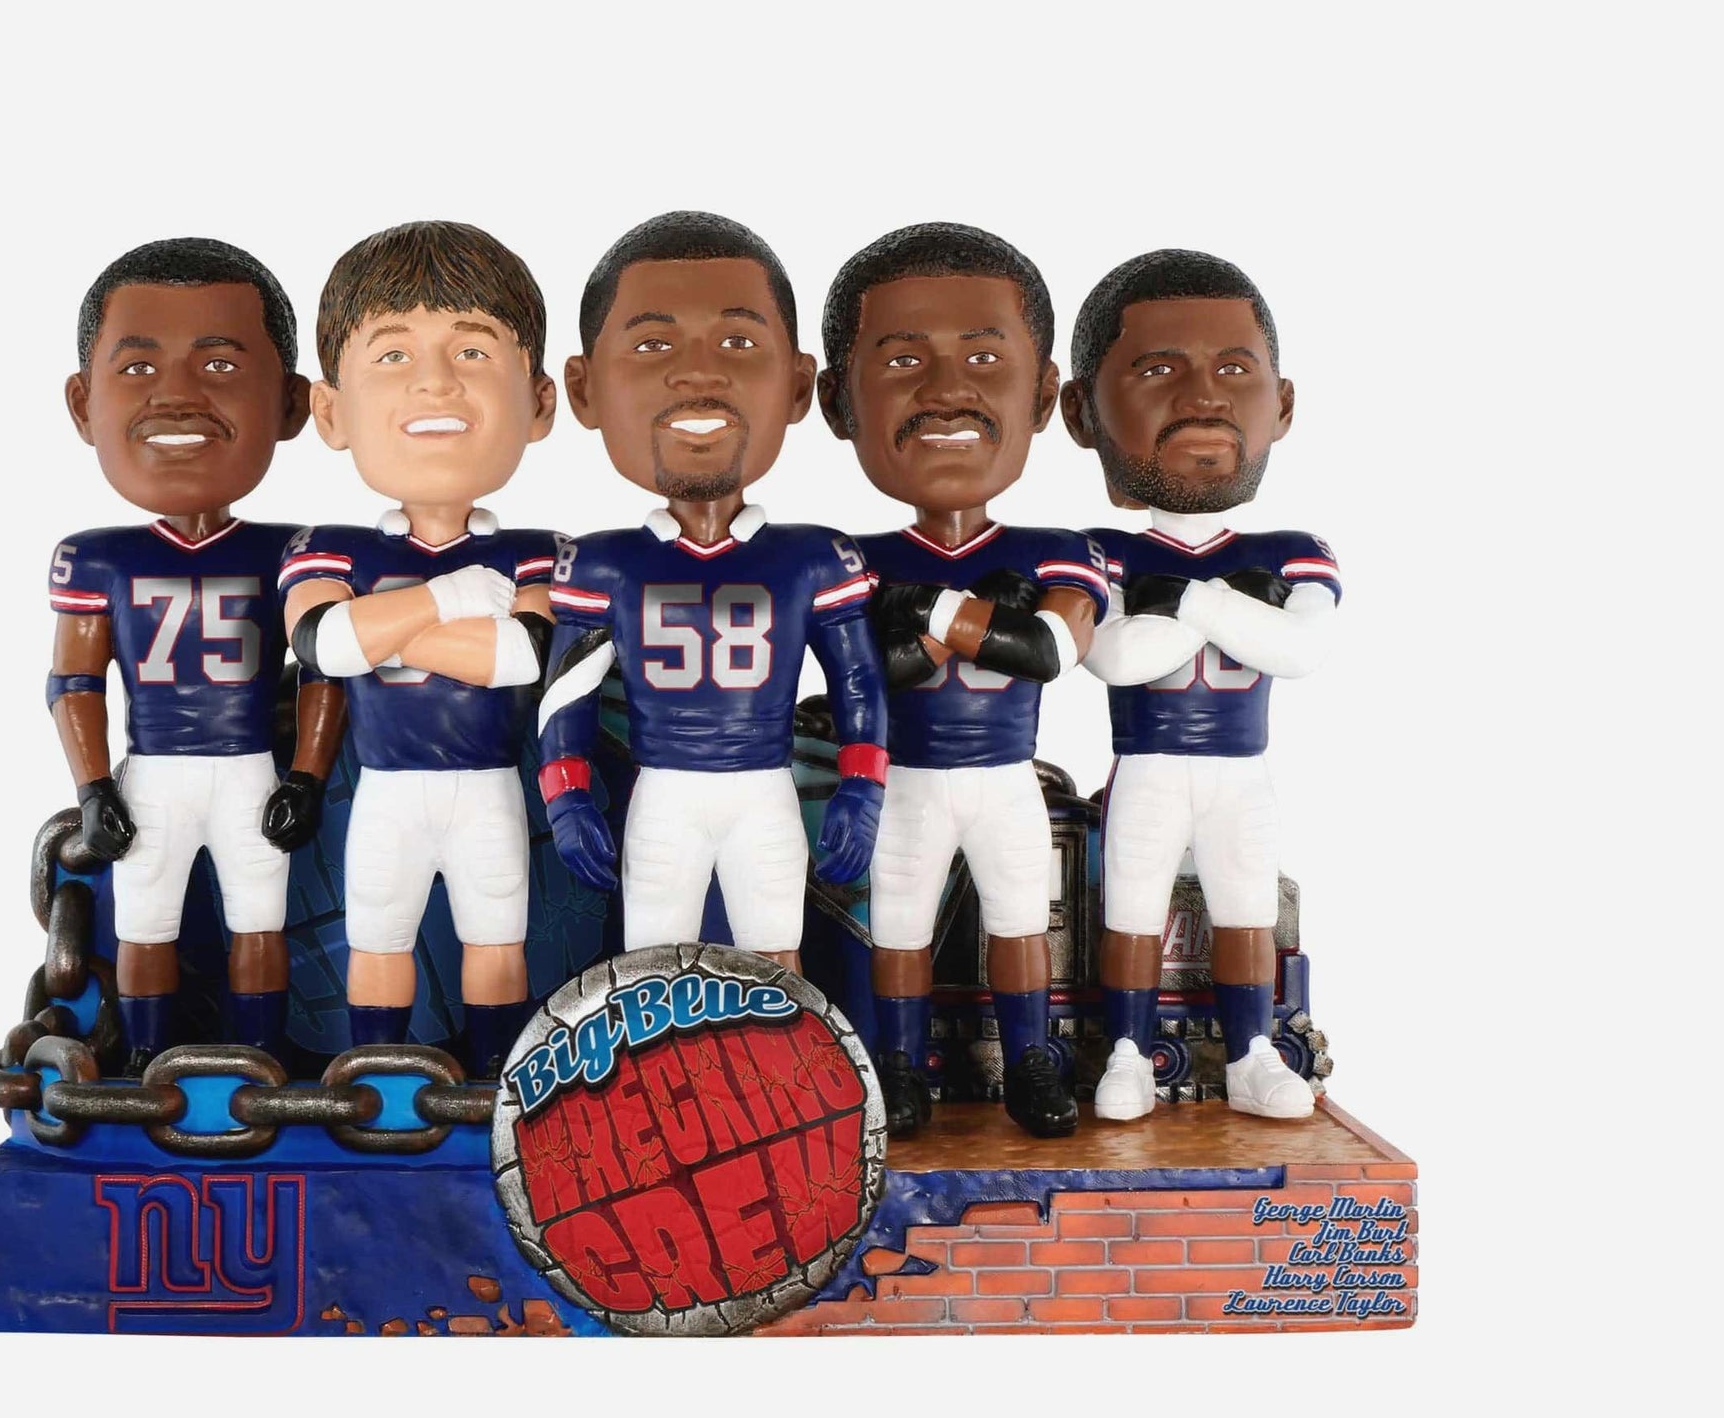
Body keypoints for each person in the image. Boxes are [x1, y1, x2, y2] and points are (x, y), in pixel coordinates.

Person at [538, 212, 887, 969]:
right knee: (652, 964)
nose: (699, 373)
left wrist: (862, 788)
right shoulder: (603, 564)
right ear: (585, 388)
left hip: (763, 786)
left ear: (797, 385)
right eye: (654, 345)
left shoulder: (813, 557)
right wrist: (566, 795)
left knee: (776, 957)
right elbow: (566, 695)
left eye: (736, 342)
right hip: (663, 791)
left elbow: (858, 682)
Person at [819, 222, 1107, 1138]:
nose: (947, 387)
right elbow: (866, 676)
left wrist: (932, 614)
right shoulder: (850, 557)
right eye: (904, 360)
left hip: (1004, 775)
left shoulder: (1056, 548)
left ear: (1044, 395)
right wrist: (975, 623)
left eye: (984, 357)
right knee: (899, 927)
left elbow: (1051, 651)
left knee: (1022, 923)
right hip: (905, 778)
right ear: (838, 401)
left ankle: (1031, 1061)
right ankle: (899, 1066)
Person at [49, 237, 344, 1071]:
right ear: (84, 403)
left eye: (218, 365)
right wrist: (93, 786)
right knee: (145, 921)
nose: (176, 394)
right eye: (139, 367)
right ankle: (147, 1060)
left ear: (290, 404)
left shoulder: (295, 549)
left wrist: (307, 776)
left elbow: (325, 667)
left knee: (261, 918)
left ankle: (261, 1056)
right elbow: (74, 682)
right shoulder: (98, 557)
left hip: (250, 766)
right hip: (154, 769)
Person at [1060, 249, 1341, 1121]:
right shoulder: (1102, 550)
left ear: (1281, 403)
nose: (1204, 397)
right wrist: (1217, 607)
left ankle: (1254, 1054)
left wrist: (1188, 602)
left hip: (1239, 767)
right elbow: (1113, 658)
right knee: (1132, 911)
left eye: (1233, 370)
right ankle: (1127, 1054)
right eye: (1159, 370)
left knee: (1247, 908)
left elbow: (1299, 649)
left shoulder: (1290, 550)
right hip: (1145, 763)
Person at [277, 221, 559, 1077]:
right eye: (394, 355)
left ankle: (496, 1078)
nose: (435, 380)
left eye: (472, 351)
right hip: (388, 789)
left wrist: (390, 626)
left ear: (540, 403)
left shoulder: (540, 552)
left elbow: (520, 657)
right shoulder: (329, 547)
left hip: (487, 784)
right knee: (377, 932)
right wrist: (451, 599)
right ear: (331, 411)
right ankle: (379, 1081)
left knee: (496, 934)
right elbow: (326, 644)